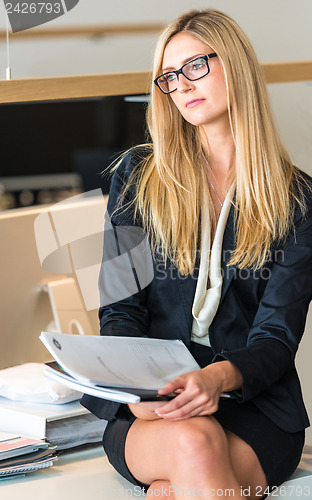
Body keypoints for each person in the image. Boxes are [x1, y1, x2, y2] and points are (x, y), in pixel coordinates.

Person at [81, 8, 312, 499]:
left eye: (195, 67)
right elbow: (121, 309)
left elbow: (276, 337)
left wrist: (215, 379)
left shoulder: (297, 200)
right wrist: (136, 396)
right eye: (168, 76)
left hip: (256, 406)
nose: (181, 85)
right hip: (154, 404)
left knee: (190, 468)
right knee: (194, 442)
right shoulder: (138, 179)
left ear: (236, 65)